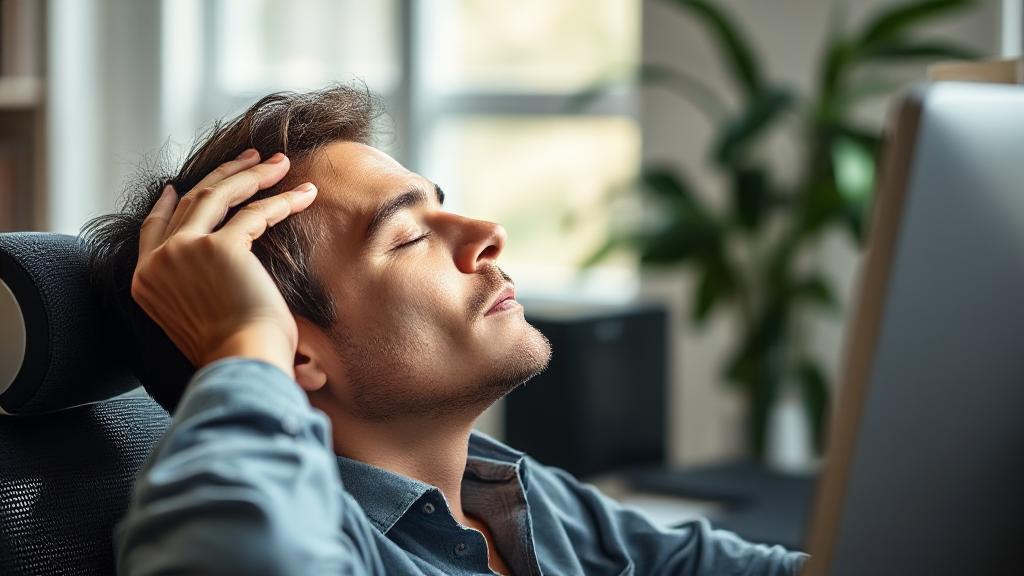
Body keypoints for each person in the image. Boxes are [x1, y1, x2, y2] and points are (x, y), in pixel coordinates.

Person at [84, 84, 807, 575]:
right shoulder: (338, 545)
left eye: (443, 205)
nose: (487, 232)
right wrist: (243, 341)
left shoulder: (514, 499)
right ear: (294, 348)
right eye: (405, 237)